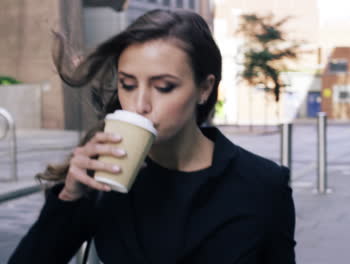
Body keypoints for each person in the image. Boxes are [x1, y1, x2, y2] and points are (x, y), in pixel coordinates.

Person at [9, 8, 296, 264]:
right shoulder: (103, 175)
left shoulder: (264, 185)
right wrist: (69, 196)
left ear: (205, 89)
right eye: (128, 84)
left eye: (164, 87)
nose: (139, 104)